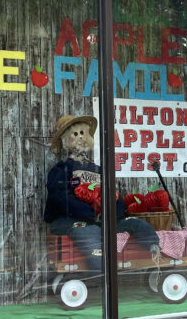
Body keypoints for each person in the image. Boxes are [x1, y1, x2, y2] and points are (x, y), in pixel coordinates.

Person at [44, 114, 161, 272]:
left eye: (82, 133)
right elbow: (60, 198)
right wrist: (92, 214)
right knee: (89, 230)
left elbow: (115, 195)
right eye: (75, 134)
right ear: (65, 141)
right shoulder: (61, 169)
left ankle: (154, 248)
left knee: (133, 221)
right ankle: (102, 273)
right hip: (69, 220)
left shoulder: (98, 170)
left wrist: (112, 213)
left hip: (102, 220)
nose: (80, 138)